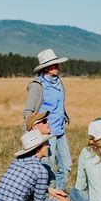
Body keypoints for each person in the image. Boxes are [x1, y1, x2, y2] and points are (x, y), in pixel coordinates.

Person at [0, 129, 71, 201]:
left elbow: (24, 184)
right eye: (46, 144)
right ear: (38, 148)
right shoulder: (40, 170)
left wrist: (50, 191)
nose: (49, 146)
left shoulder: (18, 161)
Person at [23, 49, 71, 191]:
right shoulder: (37, 85)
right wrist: (35, 130)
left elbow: (58, 103)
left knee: (66, 165)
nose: (57, 67)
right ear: (45, 68)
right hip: (46, 132)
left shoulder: (58, 82)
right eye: (53, 64)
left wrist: (65, 115)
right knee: (48, 167)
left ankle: (59, 197)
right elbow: (27, 112)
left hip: (60, 131)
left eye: (57, 64)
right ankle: (47, 198)